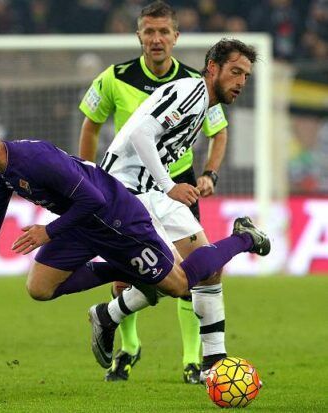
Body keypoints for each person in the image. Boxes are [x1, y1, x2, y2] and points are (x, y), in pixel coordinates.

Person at [0, 116, 269, 355]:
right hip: (82, 223)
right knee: (39, 288)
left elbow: (94, 198)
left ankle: (244, 237)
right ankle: (125, 272)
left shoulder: (35, 158)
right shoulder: (1, 174)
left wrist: (48, 231)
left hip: (119, 220)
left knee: (179, 286)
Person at [85, 36, 260, 381]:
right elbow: (140, 135)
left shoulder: (204, 103)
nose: (240, 82)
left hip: (152, 193)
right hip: (125, 194)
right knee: (179, 280)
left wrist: (173, 185)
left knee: (208, 269)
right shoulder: (192, 92)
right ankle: (108, 315)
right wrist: (171, 185)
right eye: (235, 72)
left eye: (246, 76)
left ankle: (215, 366)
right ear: (213, 68)